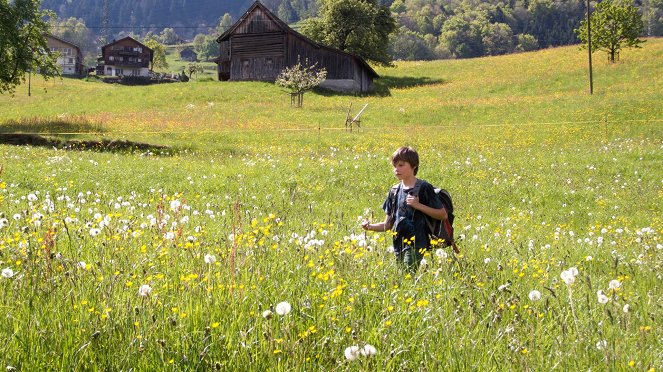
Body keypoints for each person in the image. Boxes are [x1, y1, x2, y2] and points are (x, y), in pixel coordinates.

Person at [362, 146, 447, 274]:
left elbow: (443, 214)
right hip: (398, 243)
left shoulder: (424, 188)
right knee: (404, 278)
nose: (396, 169)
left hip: (417, 243)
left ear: (413, 166)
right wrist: (369, 227)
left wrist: (418, 206)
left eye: (401, 165)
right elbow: (388, 225)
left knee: (407, 274)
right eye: (395, 165)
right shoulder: (394, 191)